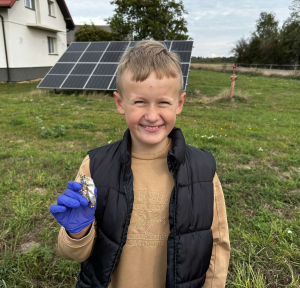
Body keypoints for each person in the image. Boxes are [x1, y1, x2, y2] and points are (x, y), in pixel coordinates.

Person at [49, 40, 230, 288]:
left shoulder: (203, 170)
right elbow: (74, 253)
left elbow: (218, 244)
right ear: (120, 103)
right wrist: (77, 232)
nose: (152, 115)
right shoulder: (94, 165)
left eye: (163, 102)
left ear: (180, 103)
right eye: (140, 102)